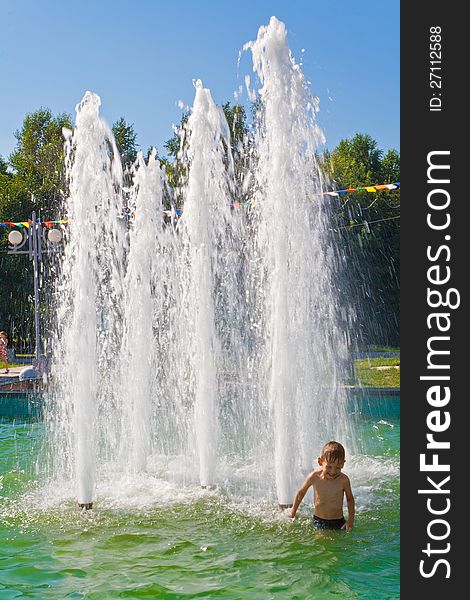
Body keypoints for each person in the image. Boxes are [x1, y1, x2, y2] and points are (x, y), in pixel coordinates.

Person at [288, 440, 355, 530]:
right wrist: (293, 511)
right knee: (321, 541)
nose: (333, 471)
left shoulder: (343, 480)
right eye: (329, 467)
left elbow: (350, 499)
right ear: (320, 462)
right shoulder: (314, 477)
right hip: (319, 520)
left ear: (343, 464)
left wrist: (350, 520)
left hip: (338, 520)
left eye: (338, 468)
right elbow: (301, 492)